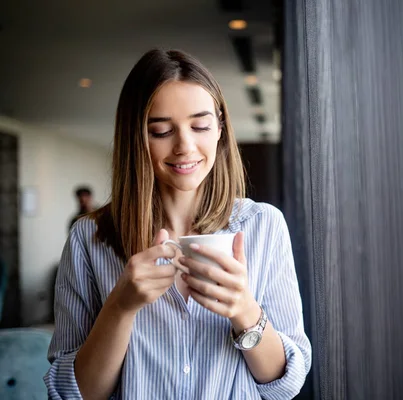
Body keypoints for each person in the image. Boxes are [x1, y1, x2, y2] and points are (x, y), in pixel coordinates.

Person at [44, 49, 311, 399]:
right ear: (135, 139)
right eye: (161, 131)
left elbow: (286, 386)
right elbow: (72, 395)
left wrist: (244, 311)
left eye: (200, 126)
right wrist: (120, 307)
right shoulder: (89, 239)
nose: (185, 146)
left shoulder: (263, 226)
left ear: (219, 128)